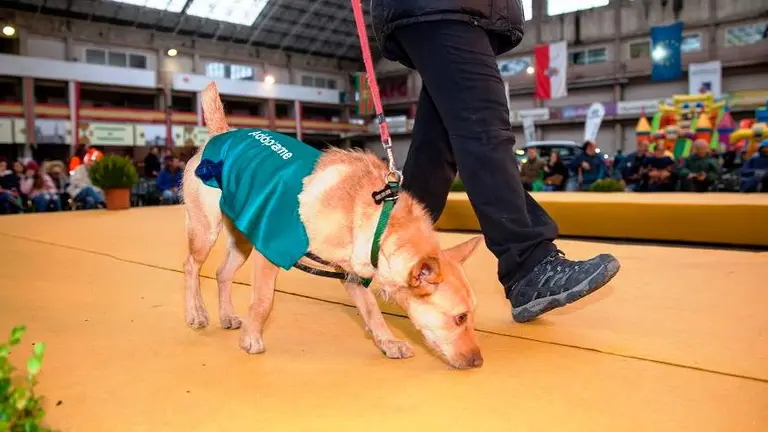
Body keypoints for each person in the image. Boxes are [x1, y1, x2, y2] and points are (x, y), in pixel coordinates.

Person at [370, 0, 620, 323]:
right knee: (483, 125)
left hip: (452, 11)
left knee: (437, 146)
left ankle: (392, 252)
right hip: (444, 7)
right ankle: (527, 264)